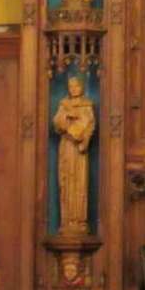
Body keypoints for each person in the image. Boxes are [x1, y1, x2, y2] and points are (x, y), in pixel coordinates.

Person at [53, 76, 96, 236]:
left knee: (79, 181)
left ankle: (79, 220)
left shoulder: (87, 104)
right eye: (70, 86)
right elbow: (57, 123)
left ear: (82, 87)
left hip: (79, 150)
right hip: (67, 148)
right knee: (66, 181)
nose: (73, 88)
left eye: (76, 85)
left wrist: (82, 136)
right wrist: (68, 117)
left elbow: (89, 124)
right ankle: (67, 220)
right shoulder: (64, 104)